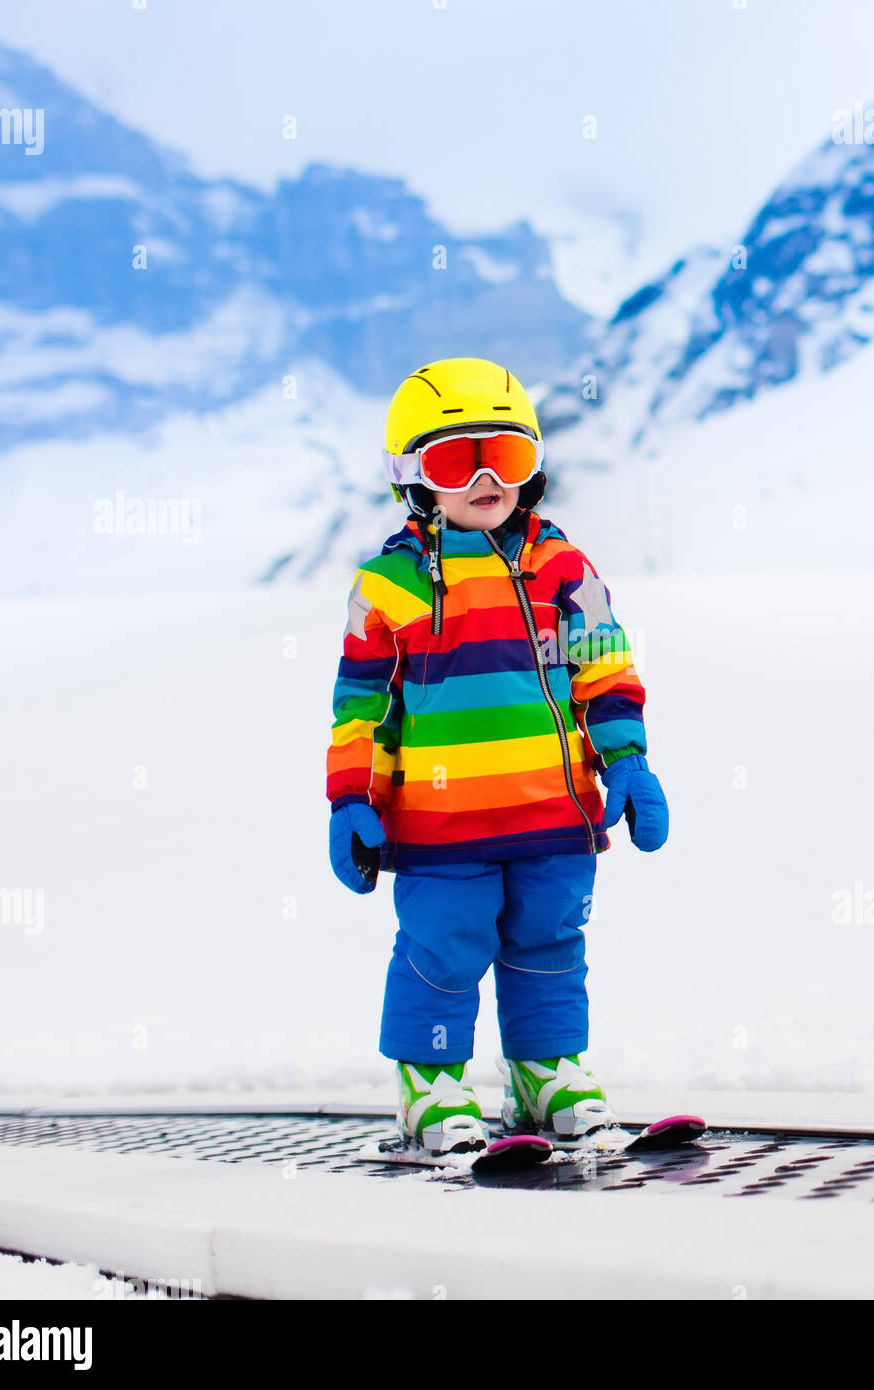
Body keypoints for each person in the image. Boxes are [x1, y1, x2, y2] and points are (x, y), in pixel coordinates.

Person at [325, 357, 668, 1155]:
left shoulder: (565, 570)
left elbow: (604, 670)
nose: (486, 477)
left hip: (555, 814)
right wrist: (352, 799)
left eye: (506, 457)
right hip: (442, 826)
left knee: (551, 940)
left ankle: (545, 1069)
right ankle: (429, 1082)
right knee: (444, 943)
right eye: (457, 460)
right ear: (413, 478)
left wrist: (627, 762)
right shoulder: (388, 587)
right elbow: (361, 709)